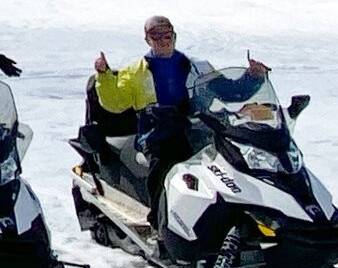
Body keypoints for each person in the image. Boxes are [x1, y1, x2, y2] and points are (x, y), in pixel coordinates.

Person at [89, 16, 268, 216]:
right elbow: (115, 102)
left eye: (166, 34)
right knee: (166, 168)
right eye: (156, 35)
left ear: (174, 35)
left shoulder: (197, 67)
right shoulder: (135, 72)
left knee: (233, 165)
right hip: (157, 134)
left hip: (199, 130)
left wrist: (254, 76)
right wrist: (103, 76)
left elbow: (229, 92)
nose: (163, 40)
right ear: (147, 39)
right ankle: (160, 222)